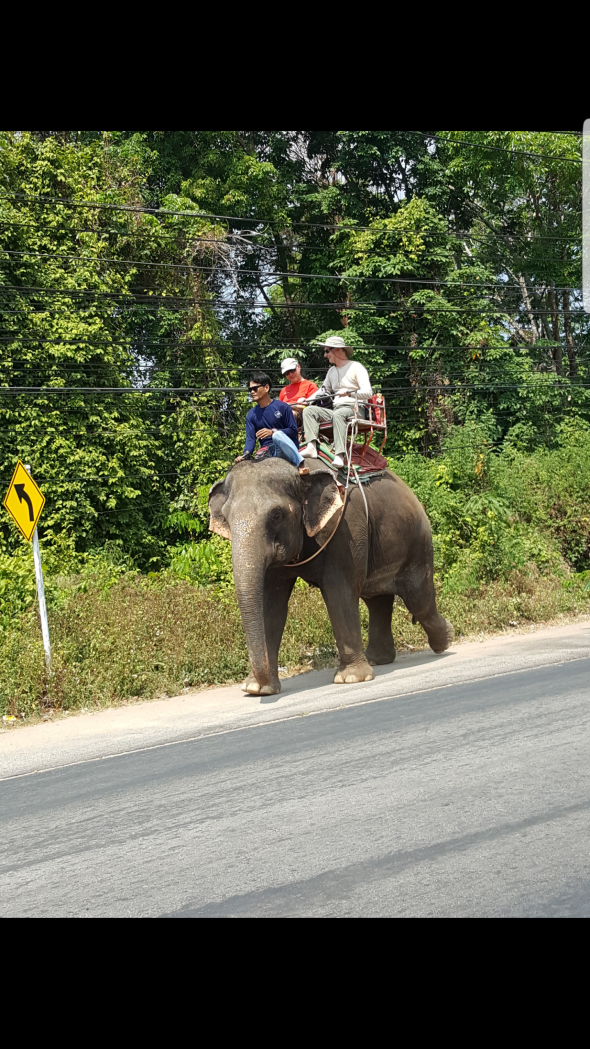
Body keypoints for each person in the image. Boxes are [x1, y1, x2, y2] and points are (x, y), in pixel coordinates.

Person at [300, 336, 372, 469]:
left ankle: (340, 455)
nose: (325, 355)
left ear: (337, 350)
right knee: (309, 411)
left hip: (355, 409)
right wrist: (307, 400)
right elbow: (323, 390)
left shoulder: (356, 367)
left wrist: (349, 392)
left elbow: (368, 392)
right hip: (336, 410)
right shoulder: (331, 371)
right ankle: (311, 446)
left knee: (338, 414)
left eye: (327, 351)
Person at [235, 371, 307, 471]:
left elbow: (293, 431)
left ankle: (300, 462)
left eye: (255, 388)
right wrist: (245, 455)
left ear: (266, 388)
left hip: (284, 449)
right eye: (250, 389)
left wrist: (272, 432)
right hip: (267, 452)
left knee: (276, 435)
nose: (252, 392)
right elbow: (250, 439)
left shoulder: (283, 407)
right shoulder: (251, 414)